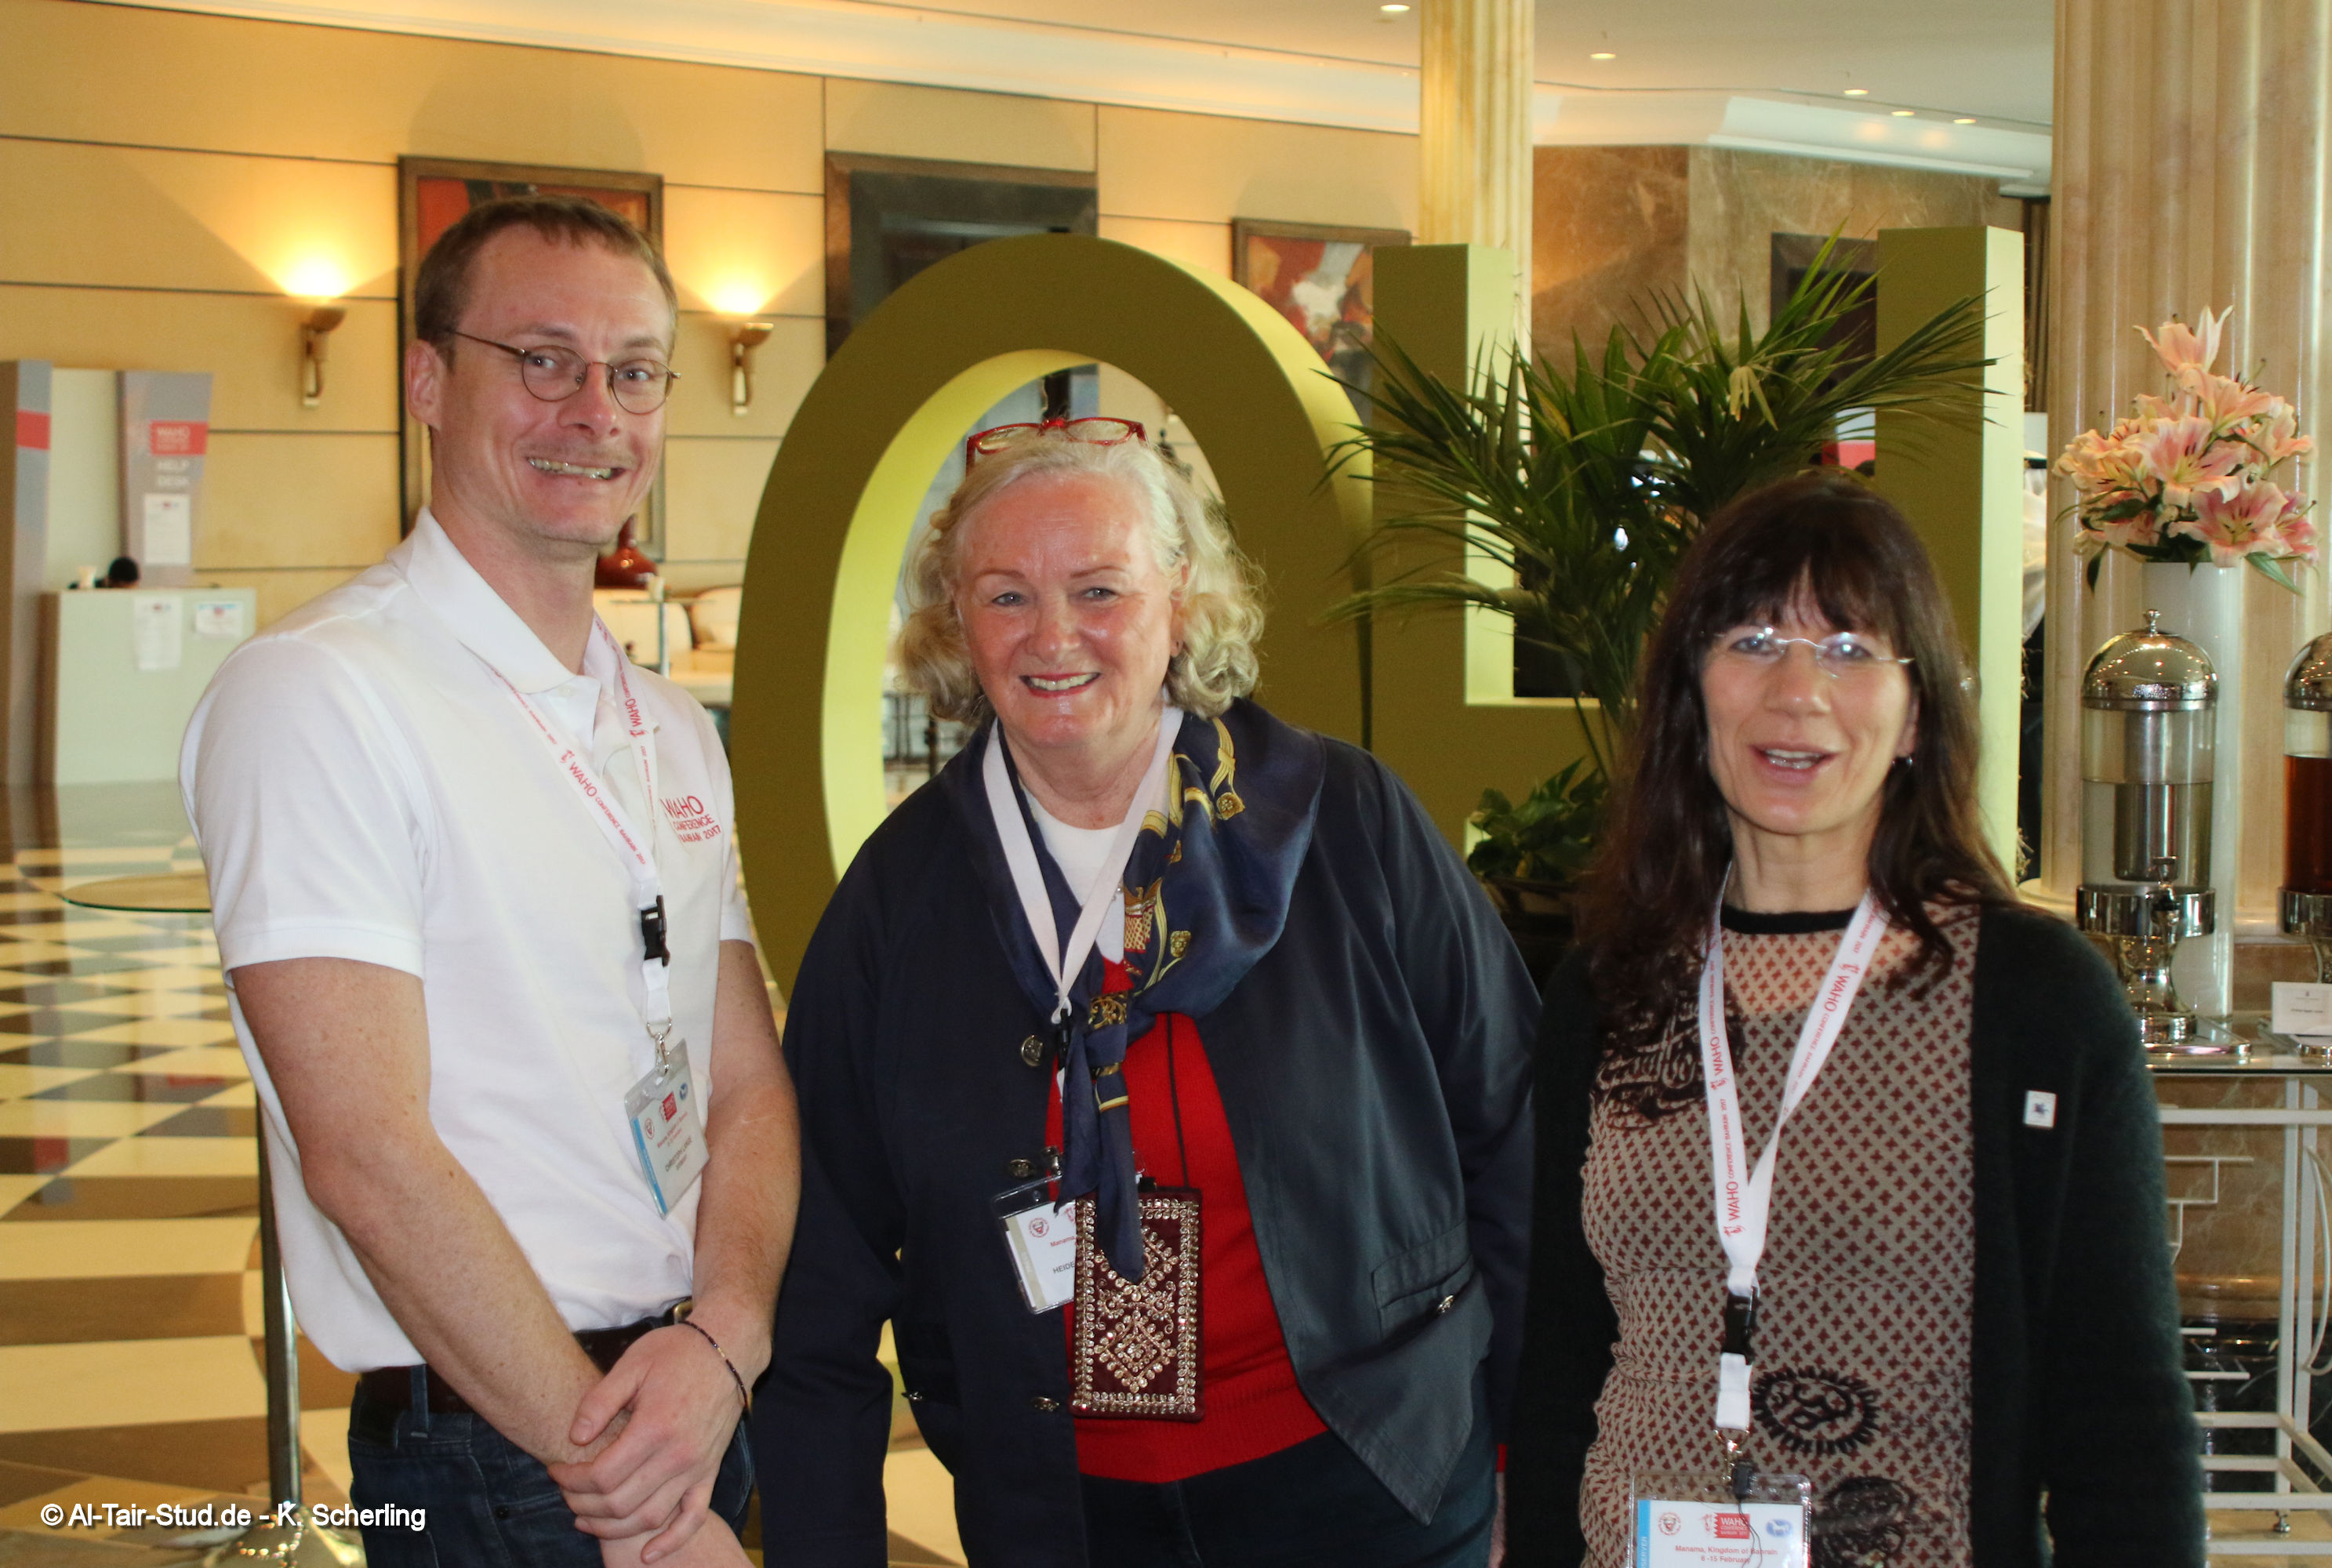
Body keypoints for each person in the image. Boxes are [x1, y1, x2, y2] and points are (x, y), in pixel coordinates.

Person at [752, 420, 1535, 1566]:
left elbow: (1514, 1132)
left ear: (1181, 602)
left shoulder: (1344, 822)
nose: (1052, 635)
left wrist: (1524, 1452)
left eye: (1099, 589)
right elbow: (819, 1263)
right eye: (1006, 595)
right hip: (1061, 1515)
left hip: (1373, 1480)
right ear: (957, 626)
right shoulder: (899, 898)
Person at [181, 195, 799, 1567]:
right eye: (542, 359)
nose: (595, 411)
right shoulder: (320, 695)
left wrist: (727, 1341)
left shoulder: (667, 724)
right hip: (506, 1442)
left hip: (689, 1397)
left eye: (634, 371)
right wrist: (627, 1488)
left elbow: (744, 1084)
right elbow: (368, 1156)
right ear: (426, 380)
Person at [1505, 475, 2201, 1566]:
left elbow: (2122, 1413)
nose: (1797, 693)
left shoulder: (2032, 1001)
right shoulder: (1610, 991)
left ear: (1915, 710)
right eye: (1752, 641)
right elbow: (1560, 1363)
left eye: (1848, 649)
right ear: (1692, 693)